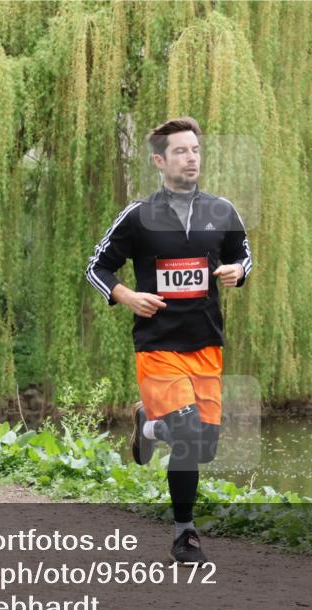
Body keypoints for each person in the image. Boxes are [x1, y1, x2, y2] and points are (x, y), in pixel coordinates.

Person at [84, 116, 252, 565]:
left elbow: (242, 256)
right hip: (158, 344)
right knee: (186, 430)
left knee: (204, 445)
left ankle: (147, 425)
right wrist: (125, 295)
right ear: (159, 161)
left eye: (195, 149)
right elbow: (96, 267)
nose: (191, 157)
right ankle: (185, 533)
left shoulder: (223, 211)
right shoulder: (138, 216)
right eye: (180, 151)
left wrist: (238, 273)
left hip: (206, 344)